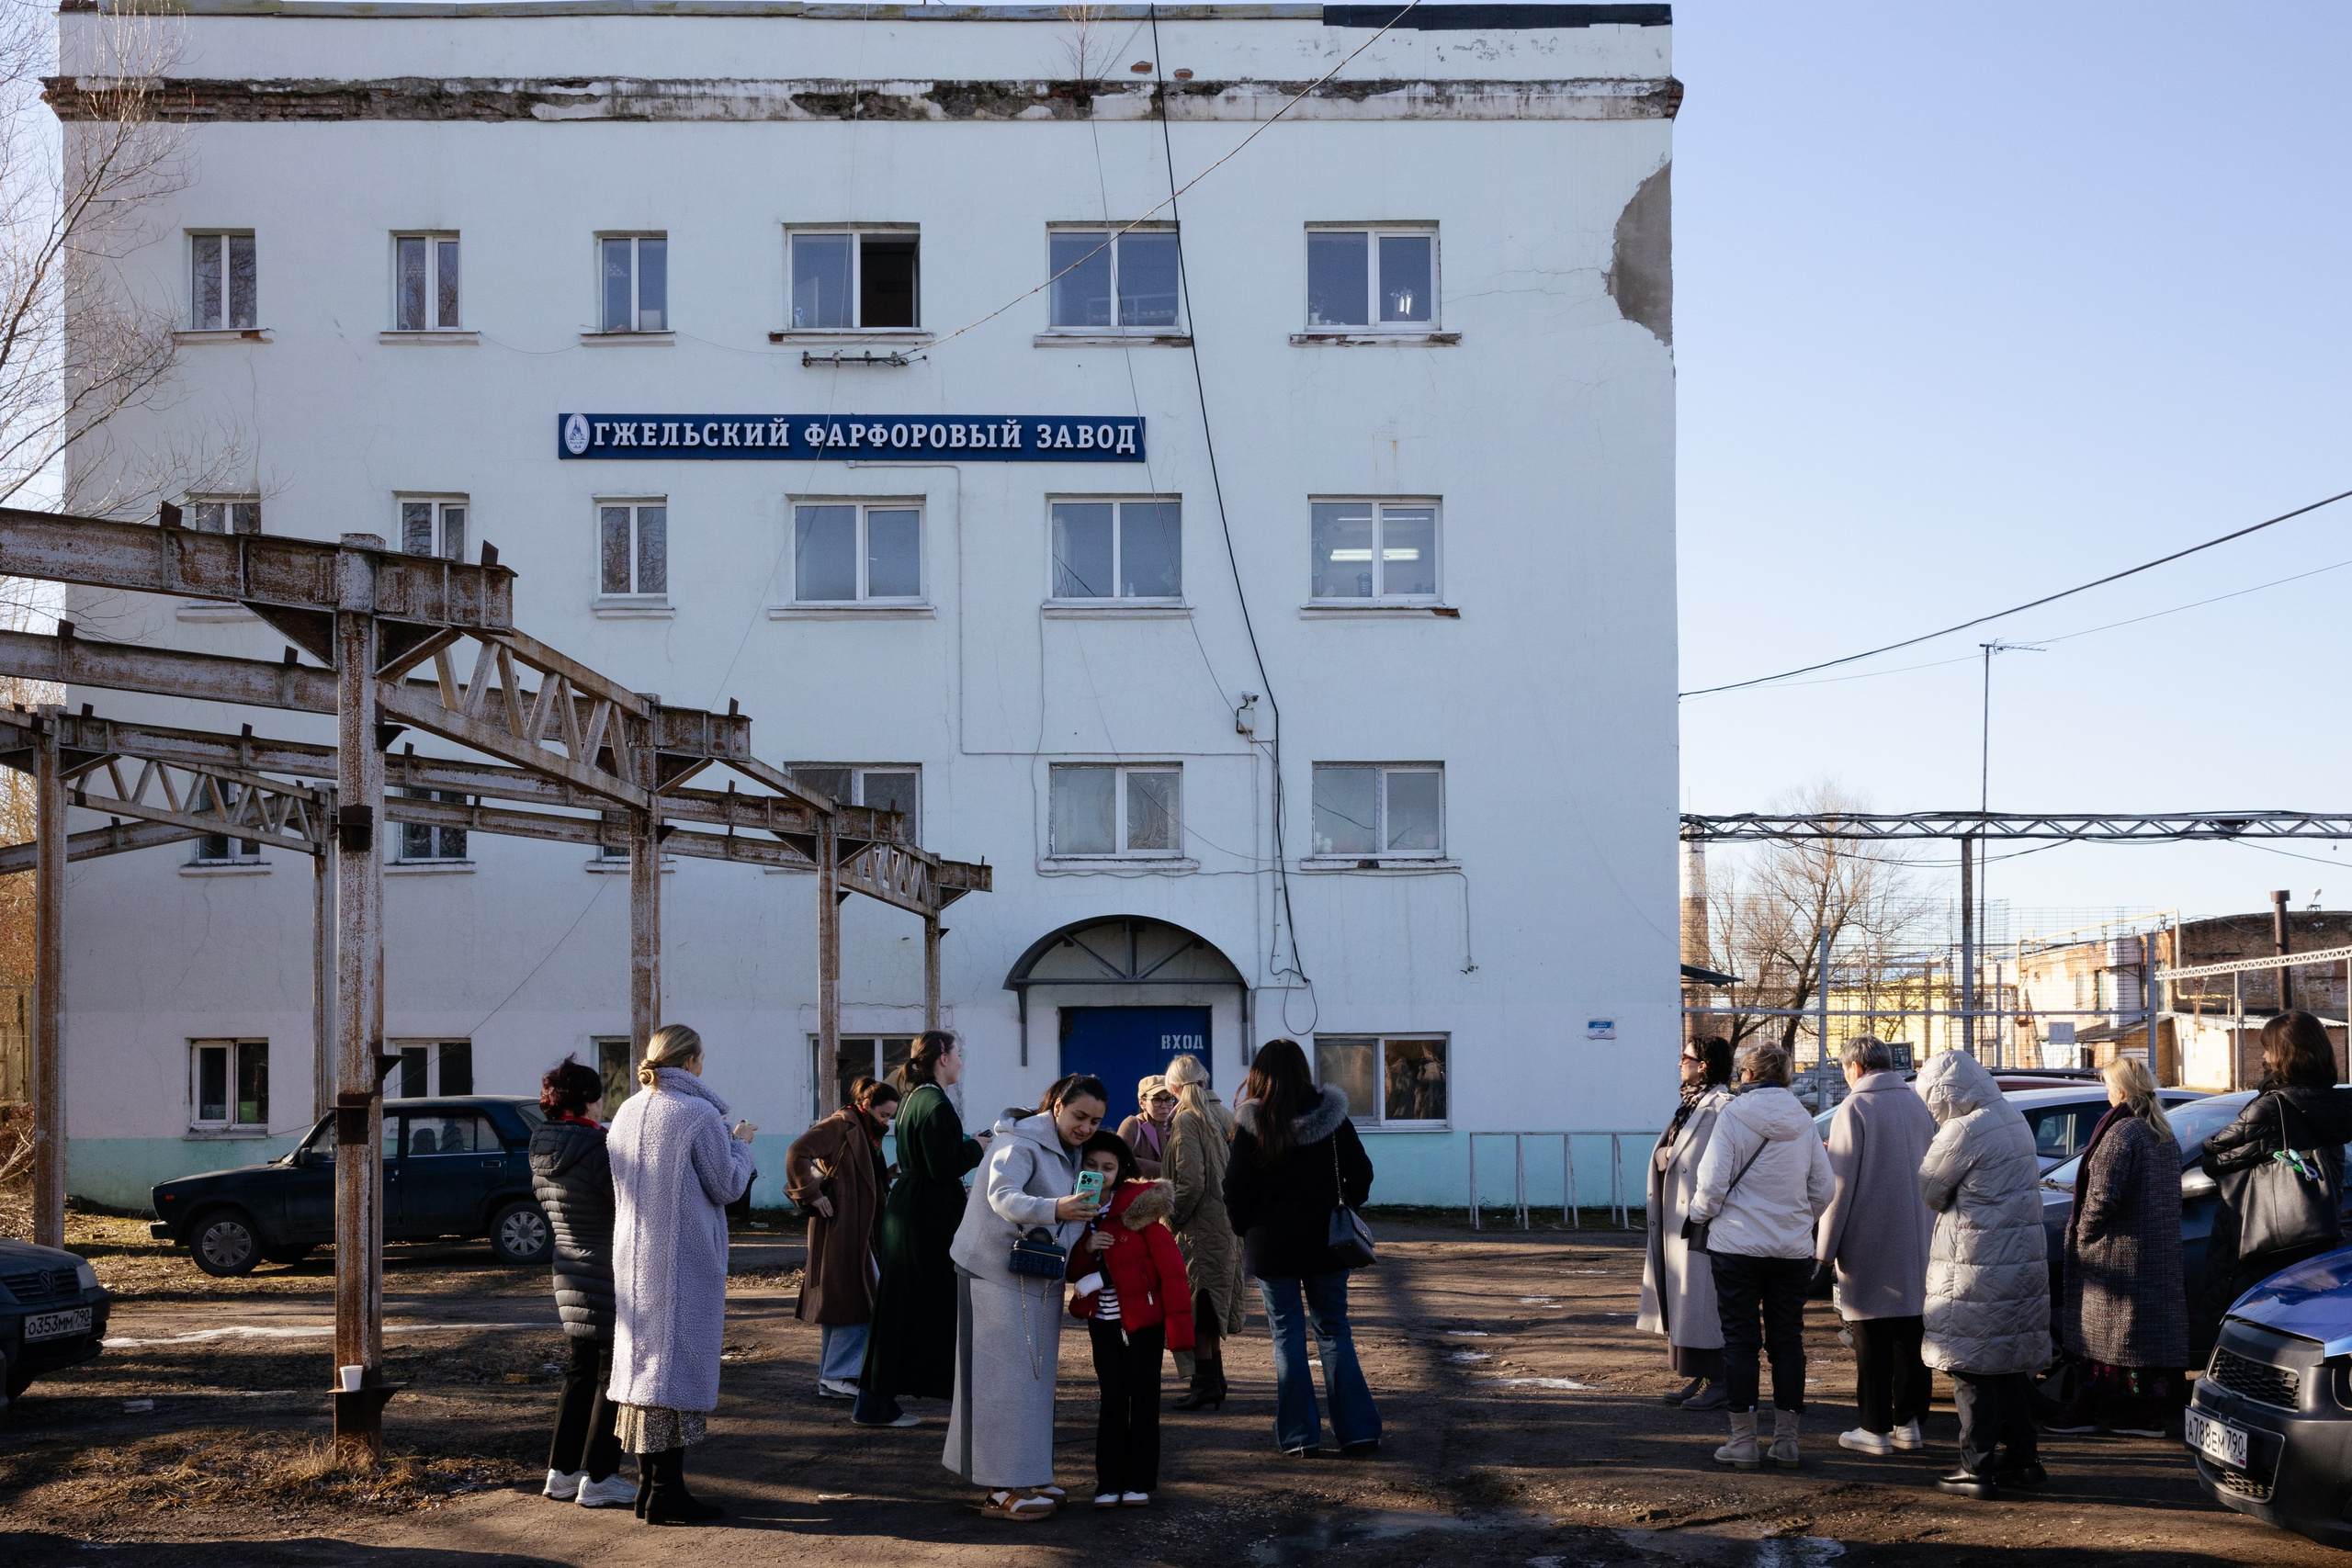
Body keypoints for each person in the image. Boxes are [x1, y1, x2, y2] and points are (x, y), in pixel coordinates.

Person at [606, 1024, 758, 1526]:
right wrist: (741, 1146)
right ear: (691, 1060)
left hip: (634, 1257)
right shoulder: (697, 1114)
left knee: (644, 1372)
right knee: (675, 1371)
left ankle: (650, 1489)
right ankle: (667, 1492)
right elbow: (726, 1186)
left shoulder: (628, 1110)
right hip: (682, 1258)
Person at [944, 1073, 1108, 1520]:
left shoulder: (1070, 1150)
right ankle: (1000, 1490)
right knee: (998, 1385)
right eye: (1079, 1116)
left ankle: (1026, 1471)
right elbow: (1002, 1196)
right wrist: (1057, 1208)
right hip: (991, 1275)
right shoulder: (1018, 1142)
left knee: (1032, 1384)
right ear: (1056, 1107)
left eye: (1094, 1121)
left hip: (1036, 1278)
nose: (1086, 1128)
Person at [1224, 1038, 1379, 1459]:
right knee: (1334, 1330)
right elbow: (1361, 1175)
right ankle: (1359, 1432)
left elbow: (1234, 1191)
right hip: (1328, 1245)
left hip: (1271, 1249)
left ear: (1258, 1074)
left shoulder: (1253, 1126)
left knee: (1287, 1336)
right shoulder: (1333, 1120)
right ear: (1303, 1071)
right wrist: (1338, 1207)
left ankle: (1299, 1438)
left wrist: (1247, 1229)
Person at [1685, 1042, 1833, 1471]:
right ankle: (1786, 1443)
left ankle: (1743, 1442)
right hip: (1791, 1250)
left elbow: (1712, 1184)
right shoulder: (1804, 1120)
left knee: (1740, 1341)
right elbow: (1824, 1188)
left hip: (1736, 1247)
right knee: (1788, 1341)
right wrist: (1799, 1222)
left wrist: (1699, 1215)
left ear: (1747, 1074)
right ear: (1786, 1076)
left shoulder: (1732, 1115)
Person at [1917, 1046, 2051, 1499]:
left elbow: (1930, 1189)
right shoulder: (2011, 1118)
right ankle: (2024, 1459)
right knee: (2006, 1364)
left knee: (1970, 1367)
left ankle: (1976, 1466)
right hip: (2017, 1259)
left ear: (1945, 1093)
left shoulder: (1964, 1130)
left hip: (1975, 1263)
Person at [2195, 1010, 2352, 1362]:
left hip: (2258, 1243)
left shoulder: (2272, 1109)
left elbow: (2213, 1156)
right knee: (2298, 1339)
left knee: (2243, 1336)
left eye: (2267, 1049)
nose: (2263, 1057)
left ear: (2284, 1054)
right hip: (2314, 1242)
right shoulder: (2336, 1105)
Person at [854, 1030, 988, 1429]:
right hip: (926, 1216)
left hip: (912, 1210)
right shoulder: (934, 1102)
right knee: (922, 1304)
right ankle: (879, 1402)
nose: (962, 1062)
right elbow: (943, 1165)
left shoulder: (915, 1098)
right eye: (959, 1054)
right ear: (942, 1056)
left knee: (901, 1305)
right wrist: (979, 1146)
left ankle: (875, 1400)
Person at [2050, 1055, 2188, 1438]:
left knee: (2101, 1340)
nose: (2106, 1092)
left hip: (2116, 1255)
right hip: (2154, 1250)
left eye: (2108, 1085)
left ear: (2122, 1091)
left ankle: (2087, 1411)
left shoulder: (2121, 1134)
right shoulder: (2161, 1133)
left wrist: (2083, 1233)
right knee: (2143, 1340)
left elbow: (2102, 1198)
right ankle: (2146, 1415)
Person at [1815, 1036, 1939, 1457]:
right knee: (1911, 1335)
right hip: (1918, 1235)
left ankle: (1874, 1429)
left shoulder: (1855, 1107)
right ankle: (1910, 1425)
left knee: (1870, 1339)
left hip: (1870, 1237)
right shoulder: (1916, 1104)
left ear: (1857, 1066)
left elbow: (1840, 1186)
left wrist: (1824, 1248)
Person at [1066, 1131, 1195, 1507]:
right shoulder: (1076, 1210)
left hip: (1143, 1323)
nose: (1099, 1174)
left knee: (1145, 1398)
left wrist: (1180, 1333)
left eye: (1108, 1167)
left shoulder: (1140, 1211)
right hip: (1103, 1323)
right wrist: (1087, 1247)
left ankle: (1139, 1480)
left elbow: (1169, 1274)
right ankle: (1107, 1481)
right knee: (1112, 1399)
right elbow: (1069, 1269)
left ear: (1121, 1171)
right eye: (1090, 1166)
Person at [531, 1055, 635, 1509]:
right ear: (590, 1101)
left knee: (578, 1372)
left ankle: (562, 1471)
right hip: (607, 1270)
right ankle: (601, 1476)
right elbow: (626, 1208)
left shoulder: (540, 1145)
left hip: (567, 1267)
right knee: (611, 1377)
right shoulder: (598, 1150)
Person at [786, 1075, 900, 1401]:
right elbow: (797, 1152)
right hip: (843, 1228)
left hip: (858, 1229)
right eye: (884, 1114)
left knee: (843, 1303)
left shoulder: (865, 1131)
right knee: (860, 1301)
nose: (887, 1122)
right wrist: (811, 1194)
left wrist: (888, 1174)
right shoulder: (842, 1125)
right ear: (867, 1105)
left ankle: (832, 1377)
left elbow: (859, 1174)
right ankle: (839, 1375)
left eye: (891, 1116)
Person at [1638, 1036, 1736, 1412]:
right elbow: (1677, 1153)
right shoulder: (1690, 1106)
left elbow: (1718, 1165)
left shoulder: (1721, 1107)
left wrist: (1668, 1157)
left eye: (1686, 1057)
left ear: (1705, 1064)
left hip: (1703, 1222)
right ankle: (1698, 1374)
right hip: (1677, 1221)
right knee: (1686, 1300)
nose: (1680, 1064)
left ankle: (1720, 1378)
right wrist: (1664, 1154)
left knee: (1704, 1302)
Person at [1163, 1052, 1246, 1412]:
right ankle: (1214, 1382)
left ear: (1175, 1086)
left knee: (1198, 1306)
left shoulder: (1187, 1120)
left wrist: (1172, 1219)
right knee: (1210, 1306)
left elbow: (1191, 1180)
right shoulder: (1223, 1114)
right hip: (1225, 1224)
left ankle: (1206, 1385)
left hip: (1198, 1228)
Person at [1117, 1076, 1178, 1180]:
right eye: (1157, 1100)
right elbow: (1120, 1162)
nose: (1164, 1106)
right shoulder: (1132, 1125)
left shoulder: (1176, 1126)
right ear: (1142, 1103)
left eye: (1168, 1099)